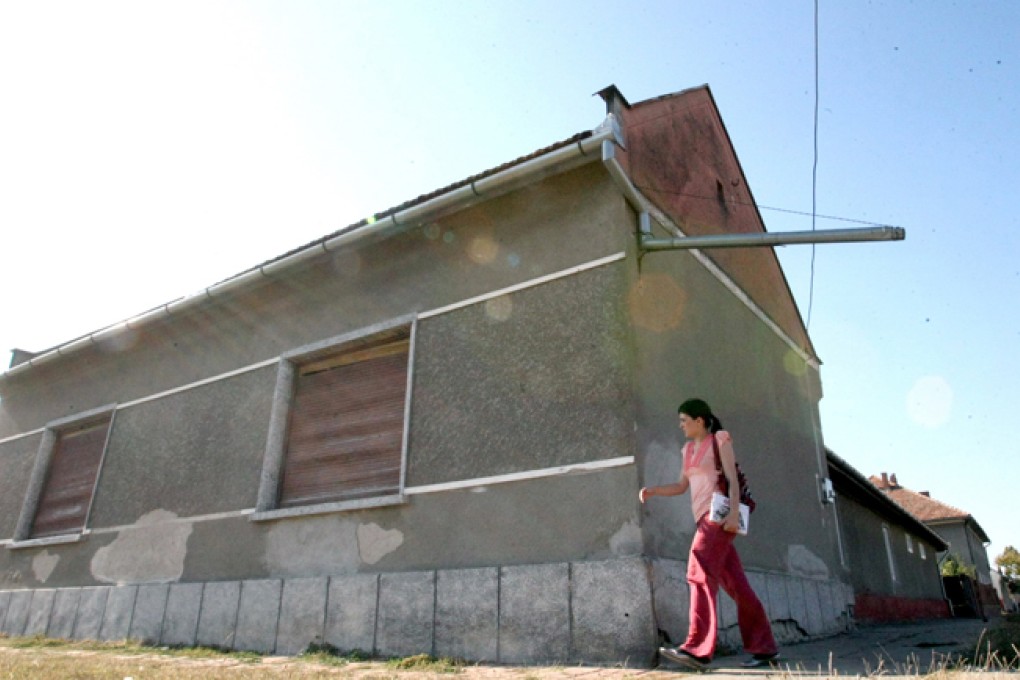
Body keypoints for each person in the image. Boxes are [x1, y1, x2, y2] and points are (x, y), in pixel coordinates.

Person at [639, 398, 779, 670]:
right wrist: (653, 490)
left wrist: (734, 513)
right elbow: (682, 486)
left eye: (684, 420)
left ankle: (697, 649)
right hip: (702, 519)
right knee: (737, 585)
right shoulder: (687, 450)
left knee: (698, 570)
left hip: (717, 516)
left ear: (699, 420)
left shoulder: (719, 440)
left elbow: (732, 478)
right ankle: (764, 648)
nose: (680, 425)